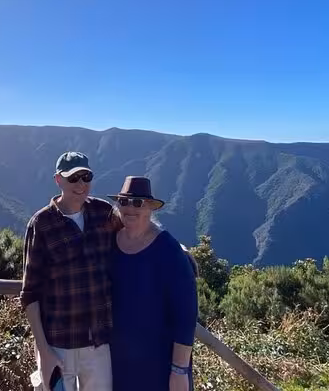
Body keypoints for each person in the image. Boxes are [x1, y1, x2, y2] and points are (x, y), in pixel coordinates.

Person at [21, 151, 122, 391]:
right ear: (58, 180)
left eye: (86, 177)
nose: (81, 184)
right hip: (58, 343)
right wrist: (43, 351)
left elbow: (136, 232)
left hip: (98, 341)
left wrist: (174, 248)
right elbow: (30, 293)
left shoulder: (103, 213)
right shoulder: (41, 224)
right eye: (73, 178)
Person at [108, 176, 198, 391]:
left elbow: (186, 316)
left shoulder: (169, 250)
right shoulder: (111, 242)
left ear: (150, 208)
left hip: (159, 363)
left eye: (138, 202)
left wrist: (179, 370)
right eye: (124, 202)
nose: (130, 208)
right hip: (118, 361)